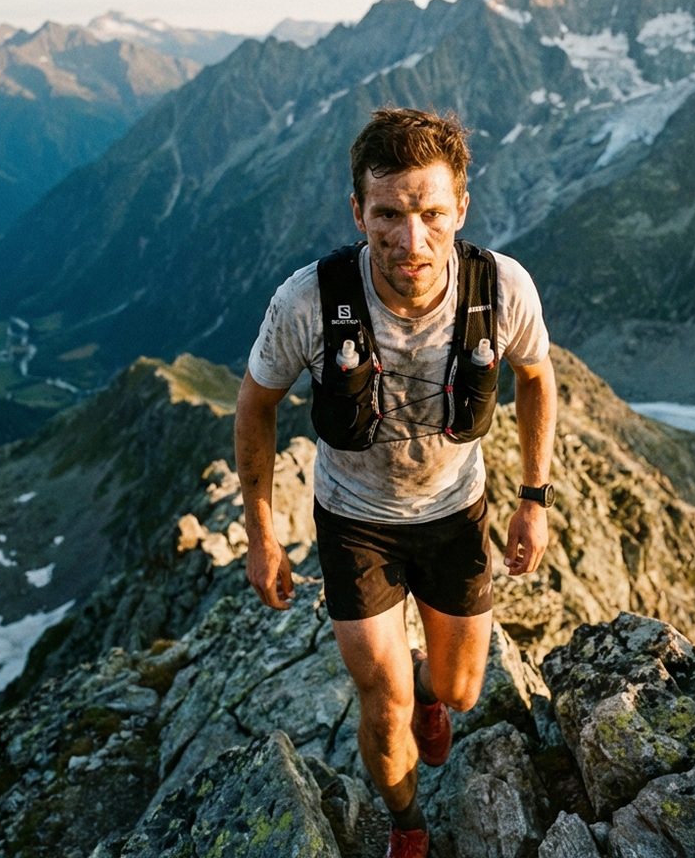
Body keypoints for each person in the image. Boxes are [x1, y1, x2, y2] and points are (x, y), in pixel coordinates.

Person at [235, 107, 556, 858]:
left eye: (431, 213)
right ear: (358, 211)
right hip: (355, 523)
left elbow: (537, 375)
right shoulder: (308, 301)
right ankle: (407, 828)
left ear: (461, 209)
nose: (412, 241)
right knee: (384, 707)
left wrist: (533, 498)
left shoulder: (500, 287)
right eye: (388, 214)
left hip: (454, 514)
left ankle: (433, 688)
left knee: (464, 690)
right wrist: (262, 533)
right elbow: (255, 404)